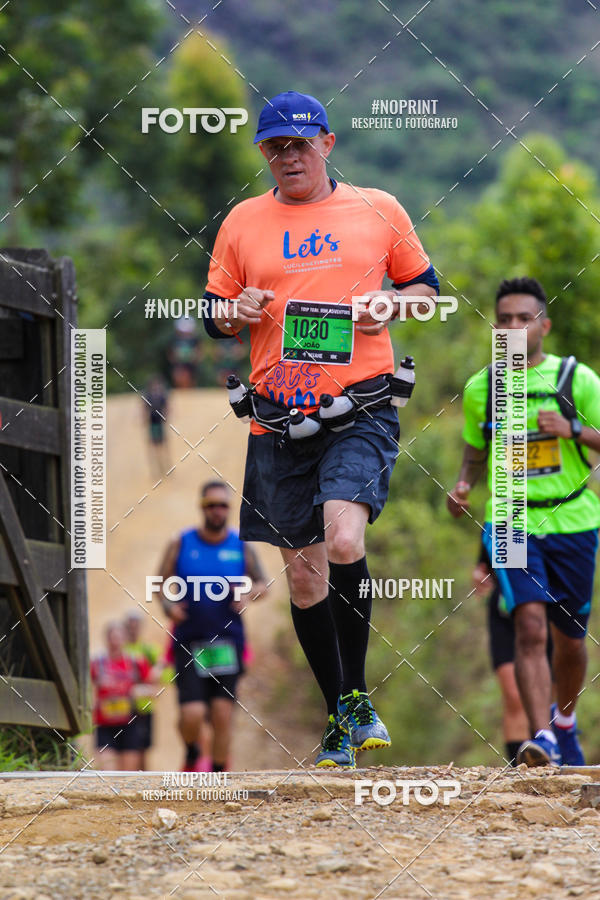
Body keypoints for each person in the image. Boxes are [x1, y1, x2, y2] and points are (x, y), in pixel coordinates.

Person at [202, 90, 438, 767]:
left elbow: (426, 290)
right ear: (264, 155)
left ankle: (354, 699)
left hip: (361, 408)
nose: (288, 156)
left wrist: (390, 304)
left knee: (342, 536)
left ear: (327, 144)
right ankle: (344, 709)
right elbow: (217, 311)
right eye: (274, 146)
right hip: (276, 421)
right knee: (303, 580)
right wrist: (236, 309)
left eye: (299, 144)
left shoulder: (379, 208)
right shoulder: (242, 222)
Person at [448, 276, 600, 767]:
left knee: (570, 641)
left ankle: (564, 721)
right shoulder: (483, 386)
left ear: (544, 325)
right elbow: (476, 449)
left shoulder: (577, 379)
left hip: (573, 518)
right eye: (505, 319)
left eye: (524, 318)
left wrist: (573, 429)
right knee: (530, 627)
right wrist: (463, 485)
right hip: (510, 516)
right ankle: (544, 741)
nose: (513, 328)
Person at [157, 481, 268, 772]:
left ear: (229, 510)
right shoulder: (181, 542)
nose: (217, 510)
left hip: (227, 642)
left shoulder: (240, 546)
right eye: (212, 505)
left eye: (223, 505)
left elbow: (263, 584)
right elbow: (159, 581)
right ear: (202, 507)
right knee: (192, 714)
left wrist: (248, 593)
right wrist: (169, 606)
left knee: (221, 714)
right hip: (189, 640)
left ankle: (219, 775)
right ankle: (192, 749)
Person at [472, 540, 553, 765]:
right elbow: (498, 541)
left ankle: (548, 755)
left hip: (552, 606)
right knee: (514, 696)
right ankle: (521, 768)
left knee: (546, 697)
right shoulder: (511, 506)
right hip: (507, 611)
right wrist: (482, 568)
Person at [90, 622, 152, 771]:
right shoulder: (97, 663)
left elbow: (153, 689)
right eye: (112, 639)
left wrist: (138, 691)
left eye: (119, 638)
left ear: (124, 640)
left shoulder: (136, 661)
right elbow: (86, 688)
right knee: (107, 773)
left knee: (127, 777)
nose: (115, 643)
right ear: (107, 640)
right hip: (104, 725)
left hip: (130, 724)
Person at [123, 611, 160, 770]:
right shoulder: (121, 649)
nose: (133, 630)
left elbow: (163, 674)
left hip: (145, 706)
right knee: (127, 747)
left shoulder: (149, 650)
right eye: (130, 627)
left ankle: (143, 779)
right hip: (124, 707)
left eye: (135, 627)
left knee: (143, 748)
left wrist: (154, 683)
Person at [142, 375, 170, 478]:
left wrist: (166, 416)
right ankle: (156, 470)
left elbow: (167, 407)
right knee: (153, 447)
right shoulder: (148, 396)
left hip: (159, 422)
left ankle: (165, 467)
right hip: (152, 422)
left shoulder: (162, 396)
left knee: (163, 446)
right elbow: (144, 409)